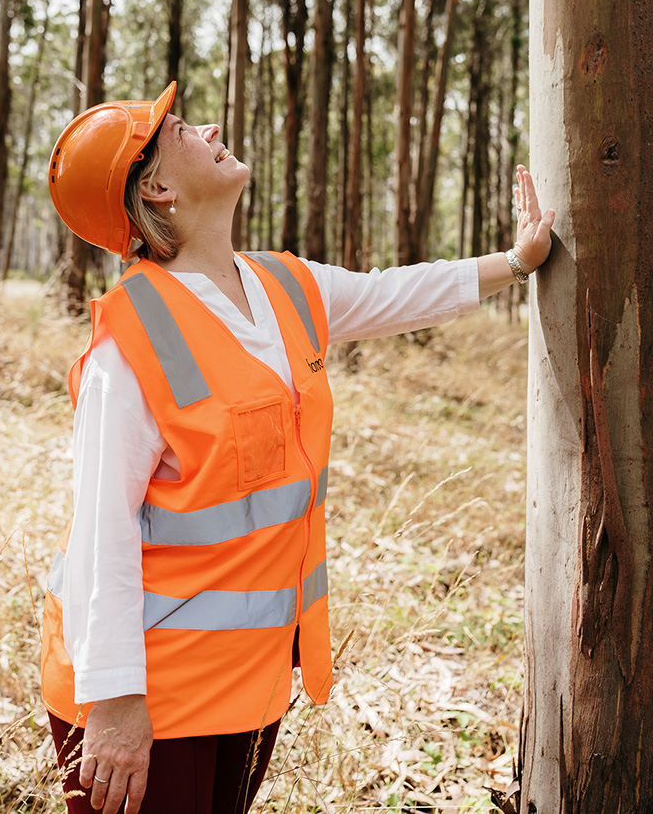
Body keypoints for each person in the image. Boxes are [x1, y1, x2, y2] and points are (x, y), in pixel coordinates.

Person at [41, 78, 555, 814]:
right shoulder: (131, 341)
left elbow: (396, 294)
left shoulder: (283, 285)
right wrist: (117, 702)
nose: (210, 127)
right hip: (146, 694)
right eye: (183, 128)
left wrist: (517, 259)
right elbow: (101, 536)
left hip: (248, 679)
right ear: (154, 187)